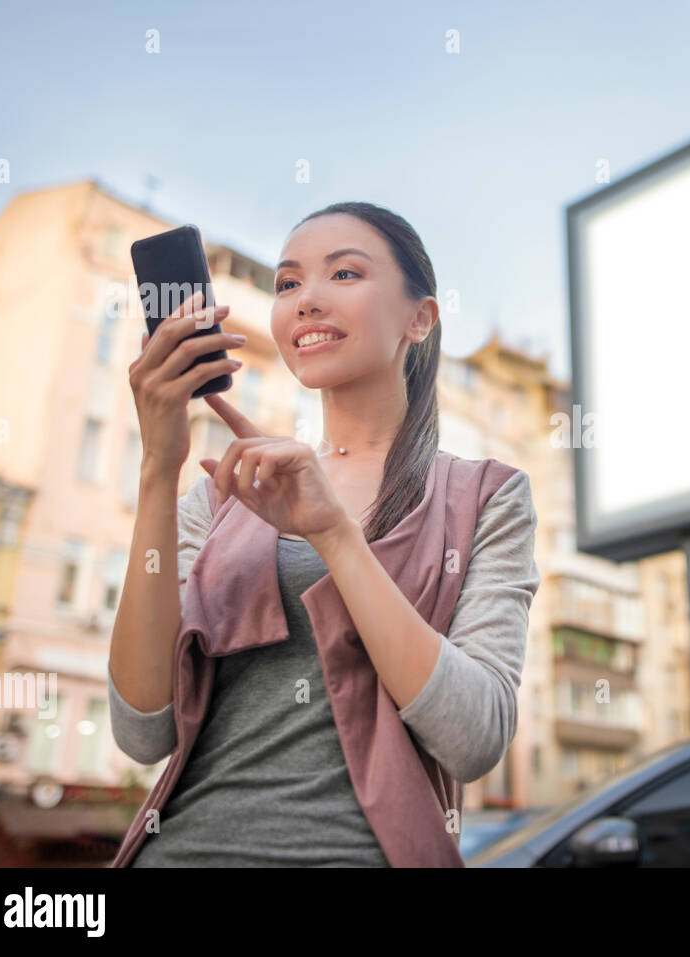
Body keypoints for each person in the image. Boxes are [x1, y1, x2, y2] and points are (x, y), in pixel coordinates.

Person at [108, 202, 538, 866]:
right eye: (287, 283)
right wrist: (157, 470)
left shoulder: (486, 497)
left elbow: (474, 736)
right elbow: (142, 730)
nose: (305, 300)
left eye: (343, 274)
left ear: (420, 318)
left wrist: (334, 533)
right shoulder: (222, 491)